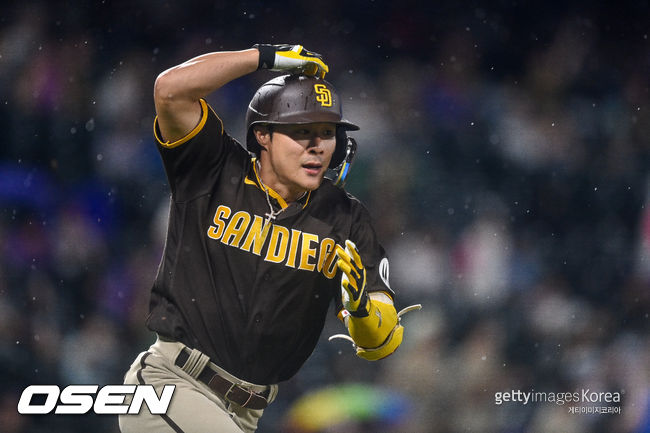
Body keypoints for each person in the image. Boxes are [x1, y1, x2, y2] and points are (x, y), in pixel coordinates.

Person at [119, 44, 420, 433]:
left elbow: (383, 342)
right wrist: (263, 57)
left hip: (248, 412)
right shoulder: (213, 167)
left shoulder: (345, 217)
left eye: (327, 133)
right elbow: (170, 89)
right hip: (172, 384)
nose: (317, 146)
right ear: (262, 135)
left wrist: (362, 312)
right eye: (301, 132)